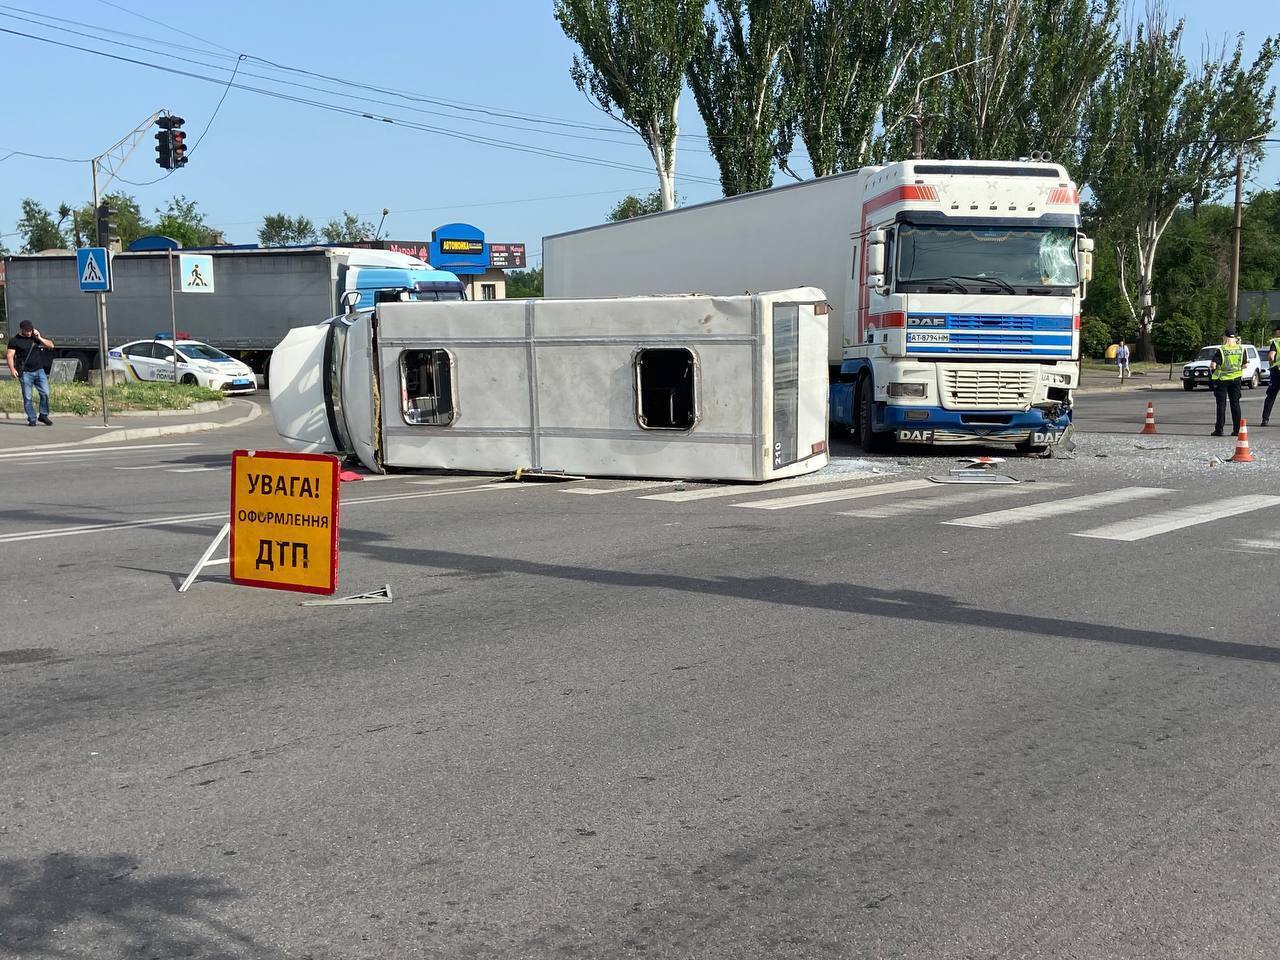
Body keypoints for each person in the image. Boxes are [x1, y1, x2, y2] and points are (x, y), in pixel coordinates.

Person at [5, 320, 55, 427]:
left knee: (45, 393)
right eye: (26, 331)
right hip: (25, 373)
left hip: (39, 370)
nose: (28, 333)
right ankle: (32, 418)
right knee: (28, 397)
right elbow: (9, 355)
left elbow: (51, 345)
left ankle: (43, 415)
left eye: (30, 330)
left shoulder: (35, 338)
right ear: (21, 329)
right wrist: (12, 369)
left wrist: (39, 337)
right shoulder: (15, 340)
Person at [1209, 331, 1244, 437]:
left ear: (1225, 337)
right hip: (1236, 379)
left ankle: (1219, 429)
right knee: (1235, 404)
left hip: (1222, 379)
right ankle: (1237, 430)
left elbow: (1213, 365)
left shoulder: (1221, 350)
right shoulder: (1241, 349)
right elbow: (1245, 364)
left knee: (1221, 404)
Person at [1261, 323, 1280, 427]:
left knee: (1271, 396)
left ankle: (1265, 419)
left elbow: (1271, 356)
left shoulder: (1276, 342)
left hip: (1277, 373)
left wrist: (1271, 361)